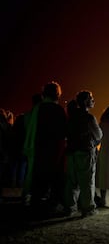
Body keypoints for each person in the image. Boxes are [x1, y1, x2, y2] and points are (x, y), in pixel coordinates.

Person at [23, 81, 67, 216]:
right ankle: (52, 205)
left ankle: (35, 203)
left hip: (39, 148)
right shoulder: (58, 109)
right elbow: (64, 130)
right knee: (54, 177)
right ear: (57, 94)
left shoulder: (37, 109)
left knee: (38, 176)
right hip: (55, 149)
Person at [65, 91, 103, 217]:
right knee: (87, 181)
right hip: (85, 151)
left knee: (72, 181)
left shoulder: (71, 116)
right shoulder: (89, 117)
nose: (93, 100)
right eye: (91, 98)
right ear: (86, 101)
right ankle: (88, 208)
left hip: (71, 151)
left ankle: (70, 207)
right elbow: (99, 135)